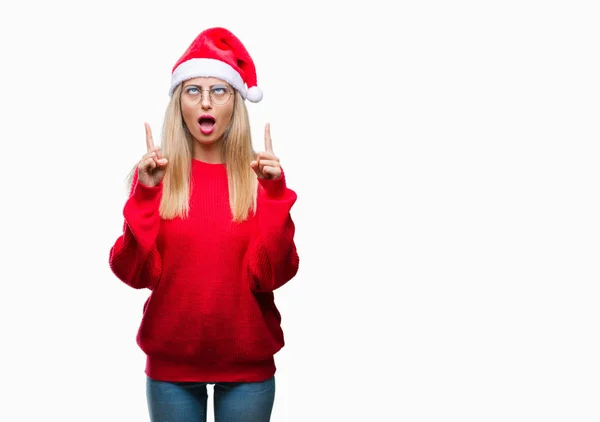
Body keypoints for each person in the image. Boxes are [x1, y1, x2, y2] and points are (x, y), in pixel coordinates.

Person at [108, 27, 299, 422]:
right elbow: (133, 272)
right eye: (194, 91)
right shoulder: (155, 177)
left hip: (248, 369)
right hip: (171, 370)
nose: (206, 101)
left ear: (235, 103)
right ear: (179, 103)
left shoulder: (258, 178)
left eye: (219, 90)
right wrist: (143, 195)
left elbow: (273, 274)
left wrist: (276, 196)